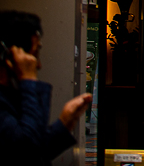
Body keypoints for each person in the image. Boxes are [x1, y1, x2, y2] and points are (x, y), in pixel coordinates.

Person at [0, 10, 92, 166]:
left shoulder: (10, 95)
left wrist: (64, 124)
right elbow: (26, 152)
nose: (39, 65)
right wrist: (29, 80)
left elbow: (34, 151)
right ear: (10, 56)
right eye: (34, 55)